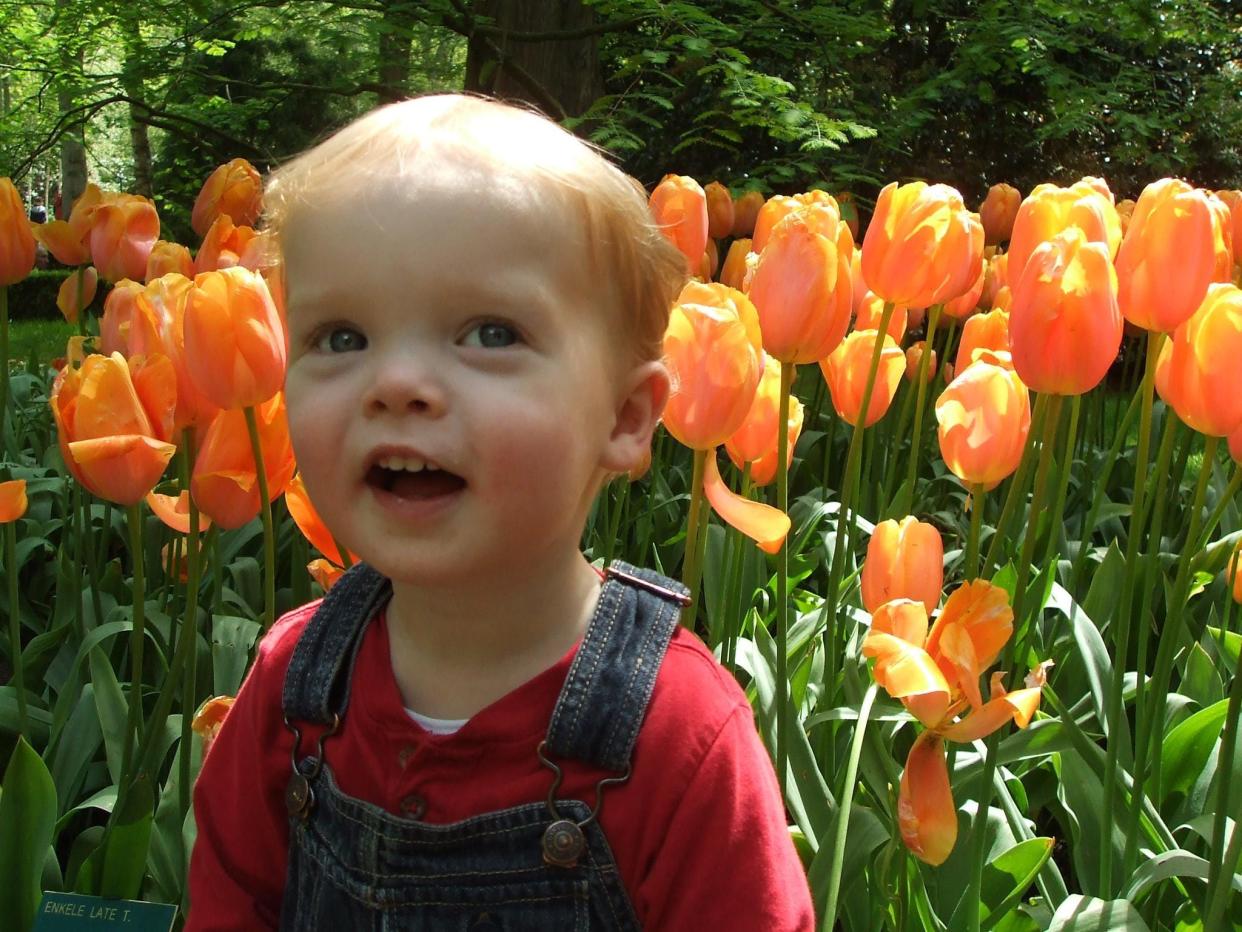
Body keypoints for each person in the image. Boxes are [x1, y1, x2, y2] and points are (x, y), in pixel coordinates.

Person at [186, 93, 814, 931]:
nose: (396, 384)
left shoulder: (681, 739)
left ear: (626, 419)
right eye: (341, 337)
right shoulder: (292, 689)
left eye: (488, 333)